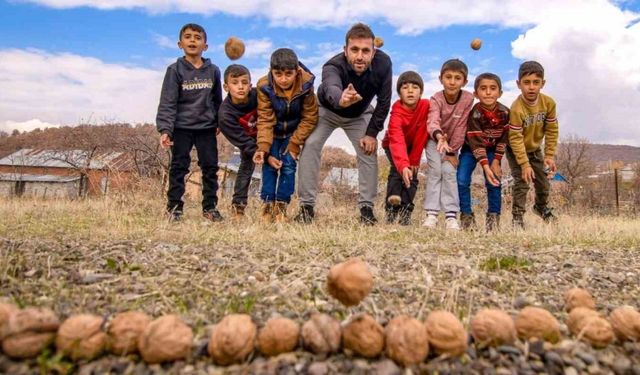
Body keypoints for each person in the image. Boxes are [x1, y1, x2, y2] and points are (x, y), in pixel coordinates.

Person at [295, 22, 392, 225]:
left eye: (365, 51)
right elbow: (330, 85)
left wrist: (371, 133)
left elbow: (384, 102)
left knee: (368, 149)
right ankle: (306, 207)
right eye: (354, 49)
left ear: (374, 52)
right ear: (345, 50)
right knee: (311, 144)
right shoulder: (332, 65)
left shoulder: (384, 64)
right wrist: (341, 98)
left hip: (359, 114)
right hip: (327, 109)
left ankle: (366, 208)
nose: (359, 56)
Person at [156, 23, 223, 222]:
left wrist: (219, 120)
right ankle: (174, 208)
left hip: (206, 128)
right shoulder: (174, 70)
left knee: (210, 168)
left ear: (206, 46)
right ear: (180, 44)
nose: (192, 40)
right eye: (188, 37)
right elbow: (168, 101)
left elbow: (217, 99)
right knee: (179, 167)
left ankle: (210, 208)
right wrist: (165, 129)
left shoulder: (213, 70)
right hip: (181, 128)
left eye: (197, 37)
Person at [252, 48, 319, 223]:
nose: (283, 79)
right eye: (278, 74)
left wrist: (295, 143)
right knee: (269, 166)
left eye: (288, 74)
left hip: (294, 132)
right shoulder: (264, 86)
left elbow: (310, 116)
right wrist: (263, 147)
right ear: (271, 71)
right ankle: (267, 205)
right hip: (272, 131)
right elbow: (265, 118)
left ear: (297, 72)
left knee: (288, 167)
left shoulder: (306, 86)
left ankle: (282, 205)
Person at [422, 59, 474, 230]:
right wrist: (438, 137)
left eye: (457, 78)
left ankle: (451, 215)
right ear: (440, 79)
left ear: (464, 81)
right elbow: (432, 121)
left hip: (453, 145)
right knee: (436, 172)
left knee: (449, 172)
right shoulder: (436, 98)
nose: (452, 82)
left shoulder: (467, 99)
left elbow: (461, 127)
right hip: (434, 140)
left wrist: (452, 152)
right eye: (448, 77)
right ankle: (431, 214)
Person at [507, 61, 559, 228]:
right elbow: (515, 138)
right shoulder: (516, 108)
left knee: (543, 183)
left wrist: (549, 155)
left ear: (542, 84)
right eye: (526, 82)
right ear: (518, 84)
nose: (531, 87)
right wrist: (524, 164)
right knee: (522, 183)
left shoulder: (548, 103)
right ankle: (517, 218)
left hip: (535, 149)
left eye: (536, 82)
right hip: (517, 151)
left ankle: (541, 207)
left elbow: (552, 130)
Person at [457, 73, 509, 231]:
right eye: (483, 88)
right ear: (475, 93)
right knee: (461, 179)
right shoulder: (475, 113)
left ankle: (493, 221)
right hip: (471, 149)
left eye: (493, 89)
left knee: (494, 181)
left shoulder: (505, 113)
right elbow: (476, 142)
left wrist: (496, 162)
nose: (488, 92)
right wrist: (486, 167)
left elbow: (504, 139)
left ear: (500, 93)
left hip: (493, 150)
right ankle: (467, 218)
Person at [381, 71, 429, 226]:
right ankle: (391, 210)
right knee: (397, 171)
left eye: (415, 87)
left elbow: (423, 134)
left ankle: (405, 212)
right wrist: (403, 165)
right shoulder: (396, 113)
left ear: (421, 92)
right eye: (405, 87)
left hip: (414, 147)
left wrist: (414, 160)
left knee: (413, 175)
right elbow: (396, 140)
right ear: (399, 92)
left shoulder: (425, 106)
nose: (410, 90)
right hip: (393, 146)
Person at [218, 64, 258, 217]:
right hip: (247, 140)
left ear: (250, 85)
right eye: (235, 83)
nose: (240, 87)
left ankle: (273, 205)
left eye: (244, 82)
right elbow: (243, 142)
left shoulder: (258, 95)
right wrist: (260, 152)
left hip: (267, 134)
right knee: (246, 165)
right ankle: (238, 207)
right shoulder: (225, 115)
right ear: (226, 87)